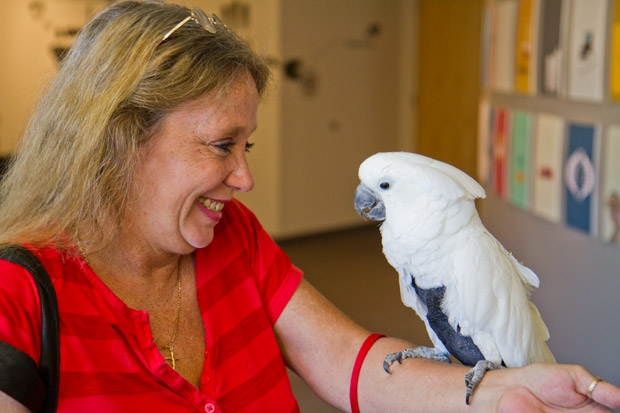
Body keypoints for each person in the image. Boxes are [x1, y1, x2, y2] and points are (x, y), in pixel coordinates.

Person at [0, 1, 618, 412]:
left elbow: (348, 360)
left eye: (248, 146)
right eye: (222, 146)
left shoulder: (232, 237)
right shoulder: (16, 298)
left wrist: (499, 393)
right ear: (119, 138)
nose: (244, 177)